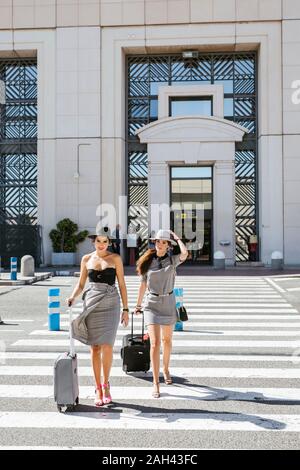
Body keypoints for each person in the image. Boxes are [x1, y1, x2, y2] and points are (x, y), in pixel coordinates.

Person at [66, 227, 129, 407]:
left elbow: (122, 285)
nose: (101, 244)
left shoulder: (115, 258)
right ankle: (97, 388)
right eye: (98, 241)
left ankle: (106, 384)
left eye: (105, 241)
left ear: (109, 243)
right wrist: (72, 296)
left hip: (111, 302)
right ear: (93, 241)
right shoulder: (86, 259)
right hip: (92, 301)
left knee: (107, 345)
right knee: (94, 347)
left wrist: (126, 309)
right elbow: (80, 284)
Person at [134, 229, 188, 398]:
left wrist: (177, 238)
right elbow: (143, 285)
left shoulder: (172, 261)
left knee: (167, 340)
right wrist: (137, 305)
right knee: (155, 343)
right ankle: (156, 383)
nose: (161, 244)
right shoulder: (147, 261)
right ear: (154, 243)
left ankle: (165, 369)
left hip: (168, 303)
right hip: (151, 304)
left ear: (169, 245)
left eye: (164, 242)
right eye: (158, 241)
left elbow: (185, 253)